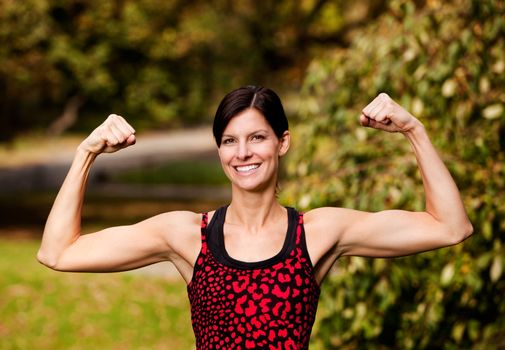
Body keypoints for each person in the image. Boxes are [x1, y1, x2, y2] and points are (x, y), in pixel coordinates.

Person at [37, 86, 473, 349]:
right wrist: (86, 153)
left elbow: (450, 227)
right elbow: (58, 252)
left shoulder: (318, 233)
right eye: (229, 141)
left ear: (282, 143)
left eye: (257, 137)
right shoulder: (188, 235)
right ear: (220, 150)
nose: (243, 153)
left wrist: (414, 130)